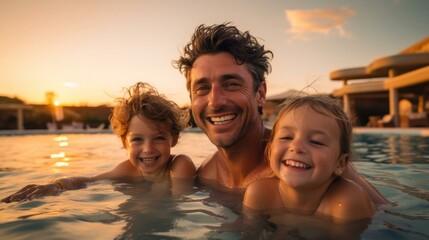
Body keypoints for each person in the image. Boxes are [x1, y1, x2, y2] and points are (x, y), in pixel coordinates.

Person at [174, 22, 387, 204]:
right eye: (202, 88)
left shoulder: (309, 165)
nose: (215, 101)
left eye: (231, 84)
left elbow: (388, 222)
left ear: (260, 94)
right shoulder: (204, 176)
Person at [2, 82, 196, 203]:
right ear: (124, 142)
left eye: (159, 137)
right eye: (137, 139)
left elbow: (175, 207)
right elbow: (89, 180)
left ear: (174, 138)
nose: (147, 149)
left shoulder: (180, 165)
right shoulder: (128, 169)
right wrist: (59, 185)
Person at [242, 94, 376, 223]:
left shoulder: (347, 201)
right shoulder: (260, 195)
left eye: (316, 141)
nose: (296, 147)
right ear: (270, 152)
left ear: (340, 163)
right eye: (286, 137)